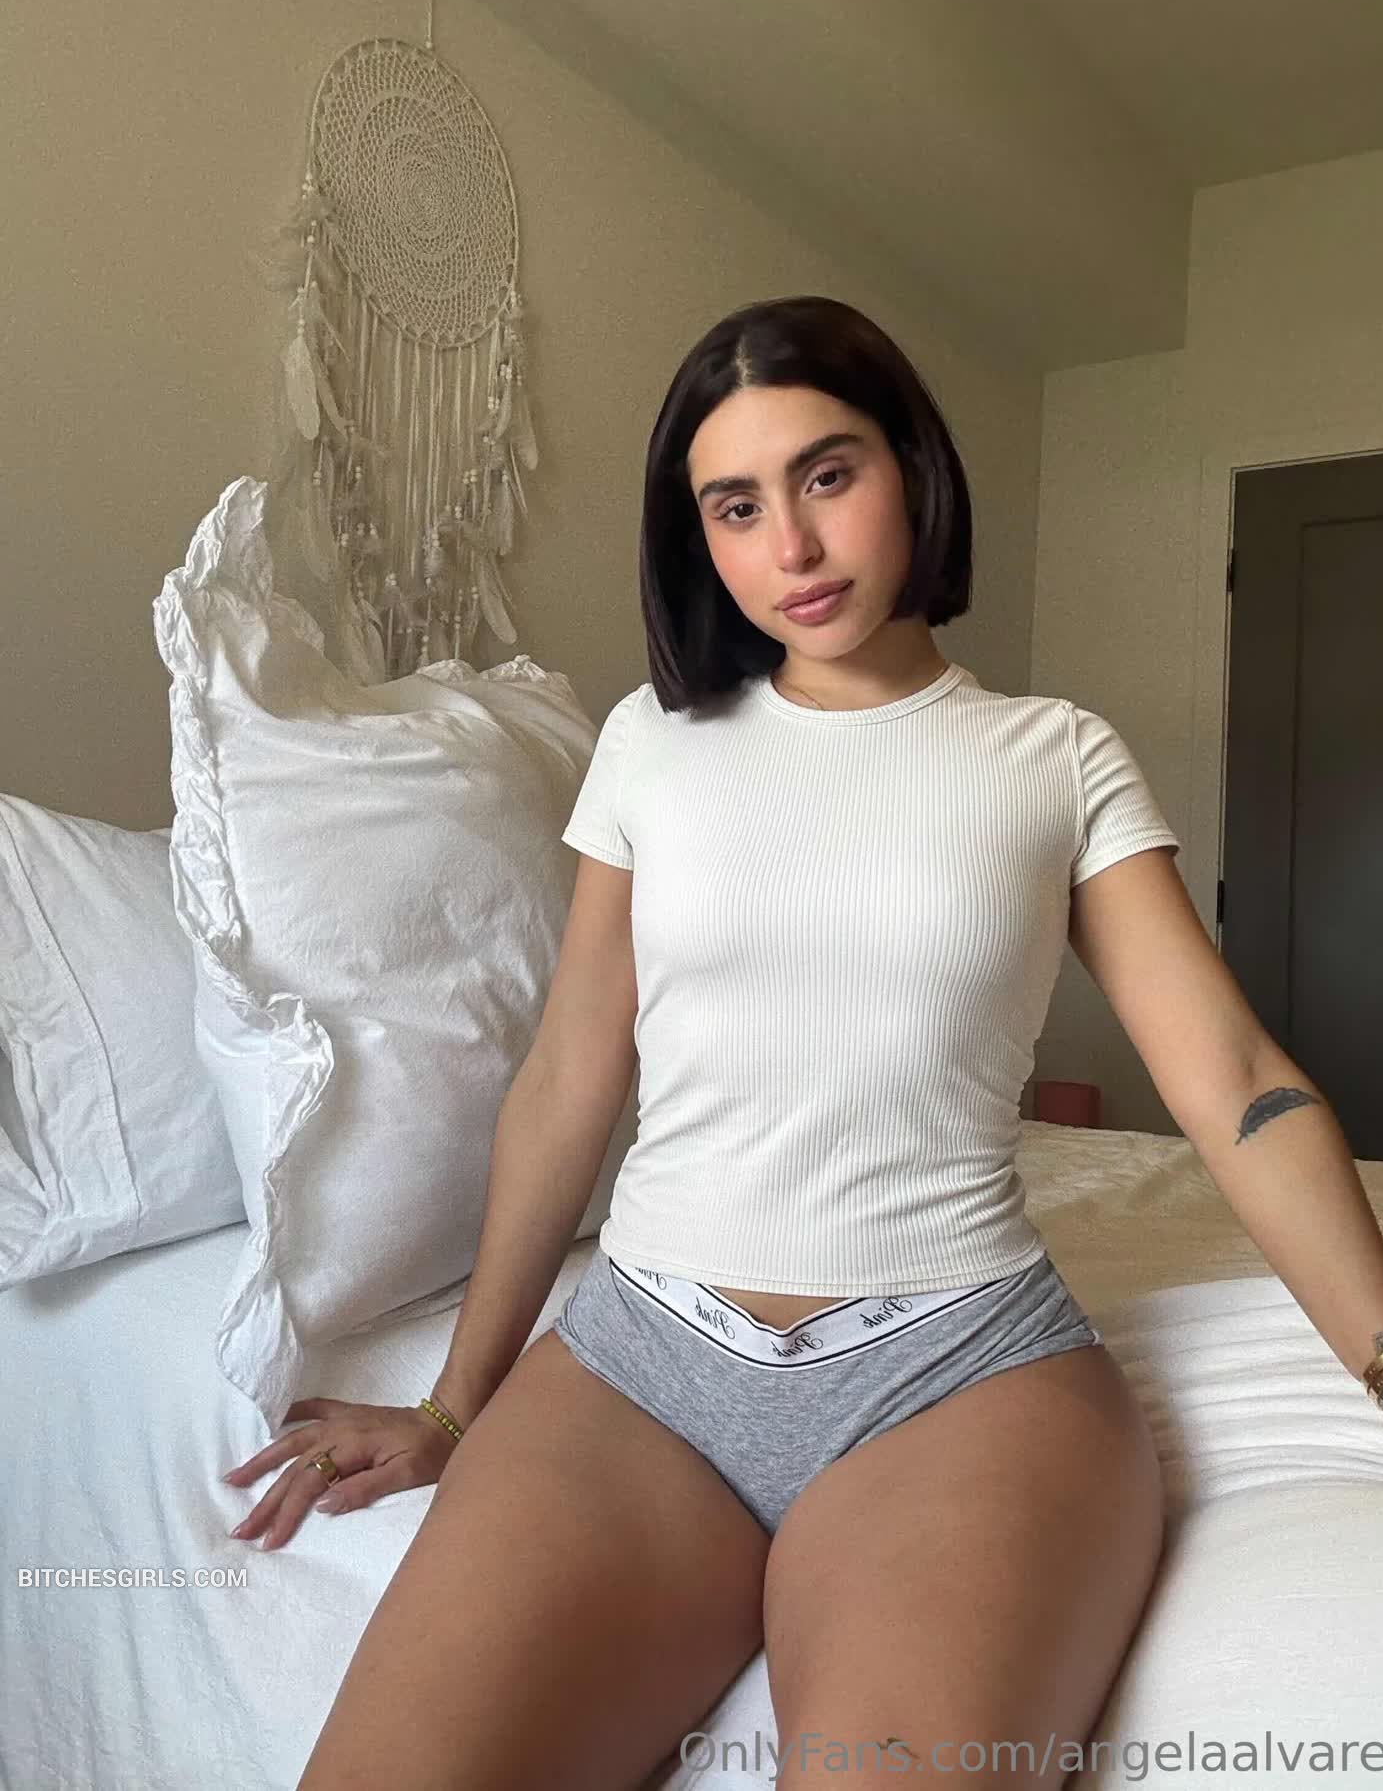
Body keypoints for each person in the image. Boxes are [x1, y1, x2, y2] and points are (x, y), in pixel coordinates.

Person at [222, 296, 1178, 1787]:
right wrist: (453, 1404)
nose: (791, 545)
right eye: (736, 506)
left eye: (827, 474)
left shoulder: (1052, 756)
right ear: (701, 539)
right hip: (640, 1366)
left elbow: (1233, 1081)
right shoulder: (649, 746)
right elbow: (570, 1072)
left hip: (956, 1372)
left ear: (913, 467)